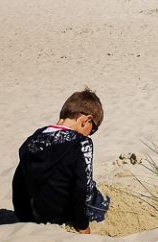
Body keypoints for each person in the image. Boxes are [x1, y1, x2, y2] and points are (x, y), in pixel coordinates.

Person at [12, 88, 110, 233]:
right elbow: (82, 188)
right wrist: (82, 225)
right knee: (101, 200)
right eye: (93, 129)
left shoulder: (34, 139)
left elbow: (18, 183)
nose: (90, 134)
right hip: (65, 214)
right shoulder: (81, 143)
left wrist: (25, 218)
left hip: (38, 214)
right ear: (86, 120)